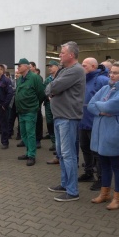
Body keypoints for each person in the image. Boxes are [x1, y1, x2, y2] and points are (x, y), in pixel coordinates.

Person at [88, 60, 119, 210]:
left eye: (115, 73)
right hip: (102, 133)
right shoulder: (106, 88)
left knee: (117, 165)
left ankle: (118, 198)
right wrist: (102, 110)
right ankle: (105, 193)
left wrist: (101, 107)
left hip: (115, 133)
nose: (112, 75)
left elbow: (110, 106)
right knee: (104, 164)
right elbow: (90, 105)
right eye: (111, 72)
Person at [46, 41, 85, 202]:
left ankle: (72, 191)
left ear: (71, 55)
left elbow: (52, 88)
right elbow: (49, 86)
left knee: (68, 155)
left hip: (68, 118)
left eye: (62, 53)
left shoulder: (75, 70)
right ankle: (65, 183)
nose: (60, 56)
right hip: (60, 117)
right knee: (62, 154)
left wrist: (52, 89)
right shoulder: (64, 70)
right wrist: (51, 88)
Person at [78, 58, 109, 192]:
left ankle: (101, 179)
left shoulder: (102, 80)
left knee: (97, 152)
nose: (82, 67)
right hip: (83, 120)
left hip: (95, 121)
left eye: (84, 65)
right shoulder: (83, 79)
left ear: (93, 66)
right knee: (85, 148)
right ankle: (88, 172)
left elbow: (108, 99)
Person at [14, 58, 45, 166]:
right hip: (21, 111)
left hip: (30, 110)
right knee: (23, 133)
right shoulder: (19, 79)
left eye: (20, 65)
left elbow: (41, 93)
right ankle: (28, 152)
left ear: (27, 66)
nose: (18, 67)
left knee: (30, 133)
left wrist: (35, 105)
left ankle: (32, 155)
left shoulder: (35, 78)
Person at [0, 64, 14, 149]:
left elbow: (10, 93)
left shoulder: (6, 80)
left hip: (2, 107)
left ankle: (5, 142)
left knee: (4, 125)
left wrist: (5, 105)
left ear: (2, 71)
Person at [43, 60, 60, 162]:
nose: (49, 68)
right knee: (49, 122)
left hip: (58, 105)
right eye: (48, 66)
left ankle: (58, 147)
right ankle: (54, 142)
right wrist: (48, 97)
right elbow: (45, 90)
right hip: (49, 104)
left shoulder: (61, 77)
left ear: (57, 67)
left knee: (57, 124)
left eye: (51, 66)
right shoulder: (47, 79)